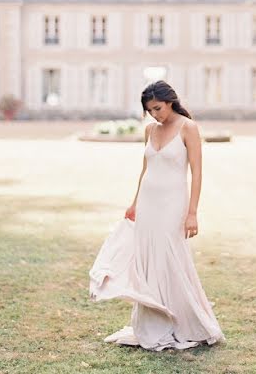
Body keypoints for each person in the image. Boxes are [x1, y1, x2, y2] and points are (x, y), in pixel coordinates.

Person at [89, 80, 224, 351]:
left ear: (170, 101)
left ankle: (186, 322)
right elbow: (145, 169)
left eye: (158, 108)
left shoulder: (189, 128)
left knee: (171, 258)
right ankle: (154, 321)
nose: (155, 114)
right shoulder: (150, 130)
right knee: (149, 259)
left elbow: (196, 172)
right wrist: (134, 203)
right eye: (150, 110)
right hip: (148, 204)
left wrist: (192, 213)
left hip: (173, 204)